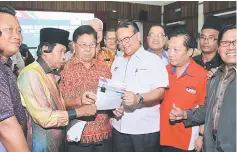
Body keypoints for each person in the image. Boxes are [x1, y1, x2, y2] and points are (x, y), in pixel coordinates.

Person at [17, 28, 97, 152]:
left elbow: (57, 105)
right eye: (61, 52)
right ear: (45, 49)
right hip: (41, 146)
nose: (64, 57)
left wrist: (80, 100)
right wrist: (79, 112)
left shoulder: (49, 74)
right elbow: (45, 118)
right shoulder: (30, 74)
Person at [169, 24, 236, 152]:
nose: (231, 47)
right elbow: (208, 110)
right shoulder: (215, 77)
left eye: (235, 42)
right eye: (226, 43)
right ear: (219, 46)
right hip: (211, 146)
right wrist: (185, 114)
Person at [111, 19, 169, 152]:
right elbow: (114, 92)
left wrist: (138, 98)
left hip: (144, 130)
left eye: (126, 39)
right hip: (119, 128)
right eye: (120, 41)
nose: (123, 44)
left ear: (137, 36)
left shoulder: (153, 60)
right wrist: (113, 107)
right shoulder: (117, 62)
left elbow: (160, 91)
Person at [59, 25, 112, 152]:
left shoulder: (104, 68)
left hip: (104, 135)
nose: (88, 49)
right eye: (83, 45)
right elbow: (59, 102)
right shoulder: (64, 69)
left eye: (92, 45)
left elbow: (111, 95)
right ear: (74, 45)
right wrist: (79, 101)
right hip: (78, 137)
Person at [160, 29, 208, 152]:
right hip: (162, 137)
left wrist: (201, 136)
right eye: (169, 48)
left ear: (190, 51)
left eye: (176, 50)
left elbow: (205, 109)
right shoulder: (164, 71)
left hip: (186, 141)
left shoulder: (202, 76)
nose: (170, 54)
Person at [0, 5, 29, 152]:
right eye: (9, 29)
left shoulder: (6, 67)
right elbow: (5, 125)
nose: (18, 37)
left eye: (19, 31)